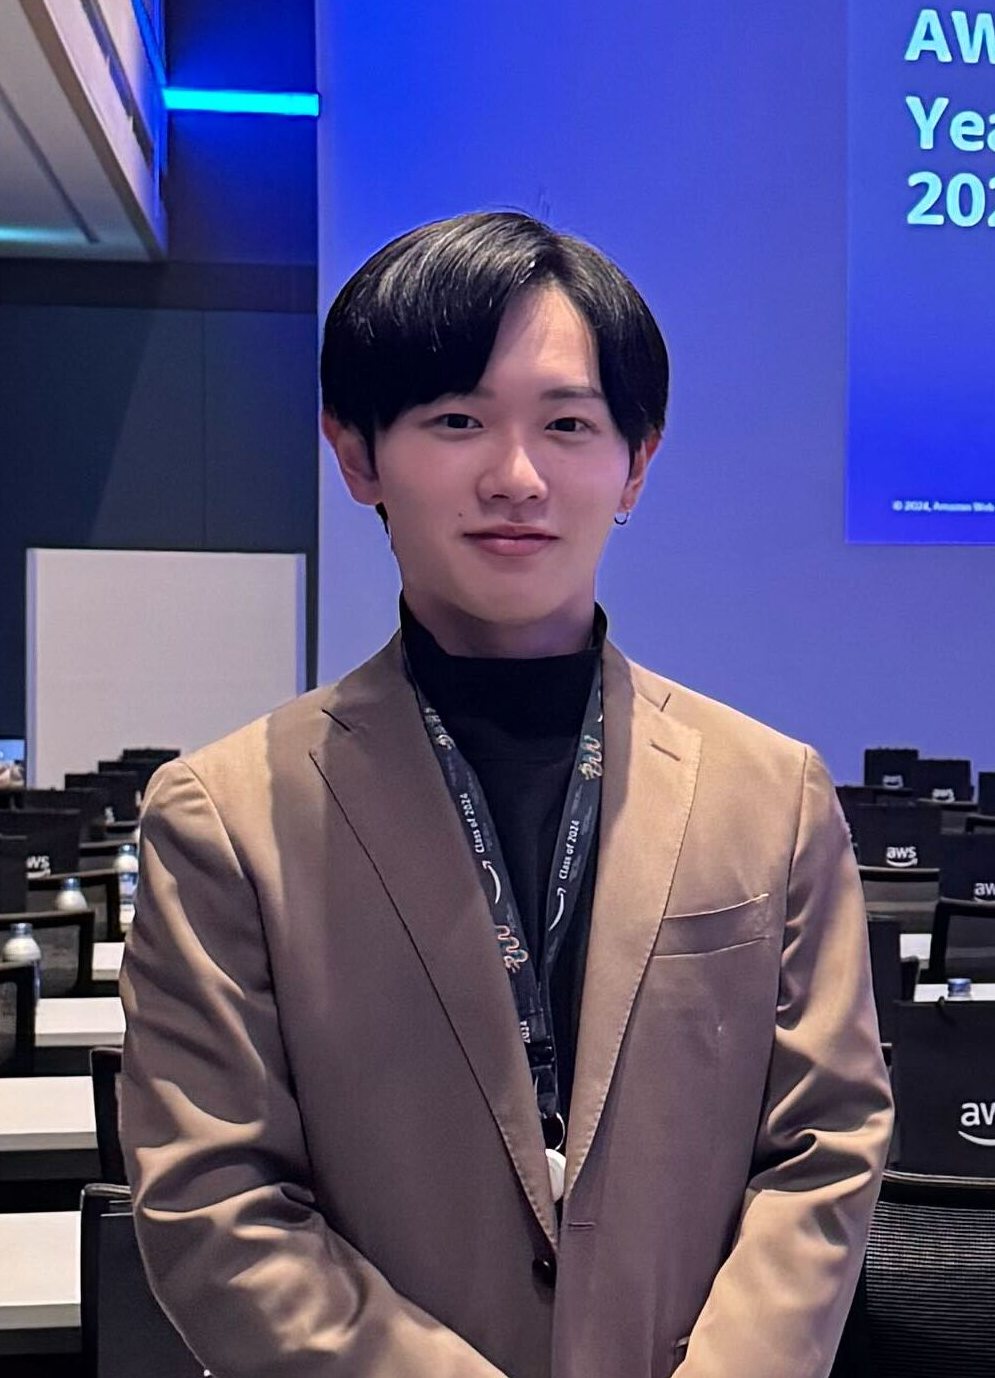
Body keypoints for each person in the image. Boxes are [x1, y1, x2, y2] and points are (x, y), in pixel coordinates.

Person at [120, 211, 893, 1378]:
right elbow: (213, 1198)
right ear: (358, 455)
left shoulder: (768, 794)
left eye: (568, 424)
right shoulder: (225, 816)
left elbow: (822, 1147)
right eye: (455, 420)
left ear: (635, 464)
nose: (516, 476)